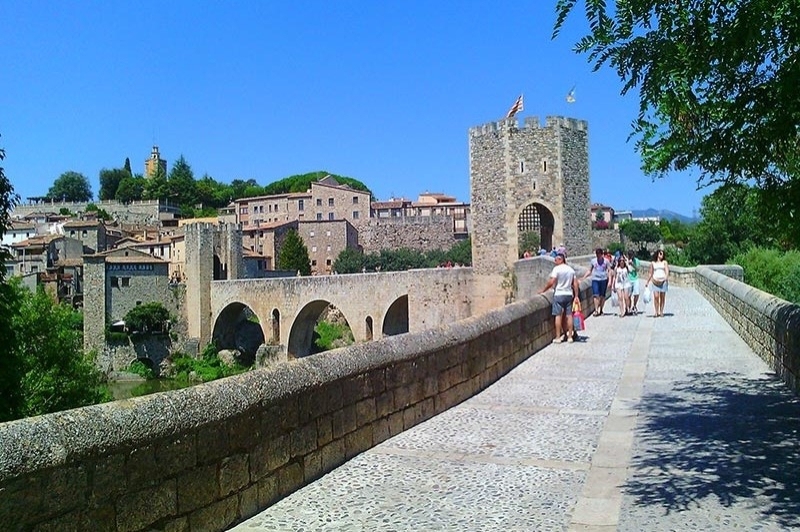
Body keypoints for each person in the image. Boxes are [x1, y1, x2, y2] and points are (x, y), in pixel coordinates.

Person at [539, 252, 580, 343]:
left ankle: (558, 337)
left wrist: (543, 290)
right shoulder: (570, 270)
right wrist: (576, 296)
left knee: (558, 315)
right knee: (569, 315)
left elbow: (552, 282)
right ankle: (570, 336)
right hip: (569, 294)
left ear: (561, 260)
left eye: (556, 259)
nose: (555, 261)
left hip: (559, 294)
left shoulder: (556, 269)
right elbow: (575, 284)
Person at [583, 248, 612, 316]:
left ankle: (601, 309)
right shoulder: (593, 261)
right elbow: (589, 270)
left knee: (602, 296)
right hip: (595, 279)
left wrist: (610, 280)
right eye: (597, 255)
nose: (598, 256)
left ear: (602, 254)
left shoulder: (606, 261)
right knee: (596, 295)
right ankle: (596, 310)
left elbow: (609, 271)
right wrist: (584, 278)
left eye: (599, 255)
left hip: (604, 279)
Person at [645, 248, 670, 317]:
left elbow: (667, 271)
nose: (661, 255)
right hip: (655, 281)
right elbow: (650, 273)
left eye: (662, 254)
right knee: (656, 296)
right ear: (657, 254)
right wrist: (647, 281)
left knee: (662, 297)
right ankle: (656, 311)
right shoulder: (653, 263)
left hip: (663, 281)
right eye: (660, 253)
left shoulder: (664, 262)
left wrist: (666, 278)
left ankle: (661, 311)